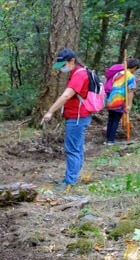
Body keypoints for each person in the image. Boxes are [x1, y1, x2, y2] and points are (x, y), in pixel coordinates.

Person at [40, 48, 92, 190]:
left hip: (77, 117)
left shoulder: (79, 75)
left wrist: (50, 111)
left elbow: (66, 95)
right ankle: (71, 178)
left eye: (64, 65)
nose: (62, 68)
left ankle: (69, 182)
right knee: (77, 149)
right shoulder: (78, 72)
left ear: (72, 61)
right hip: (79, 116)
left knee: (72, 150)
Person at [104, 57, 140, 144]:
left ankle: (108, 138)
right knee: (116, 120)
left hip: (112, 99)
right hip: (120, 101)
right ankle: (111, 141)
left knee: (110, 119)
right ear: (134, 67)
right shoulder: (131, 77)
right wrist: (129, 105)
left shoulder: (118, 74)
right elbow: (130, 92)